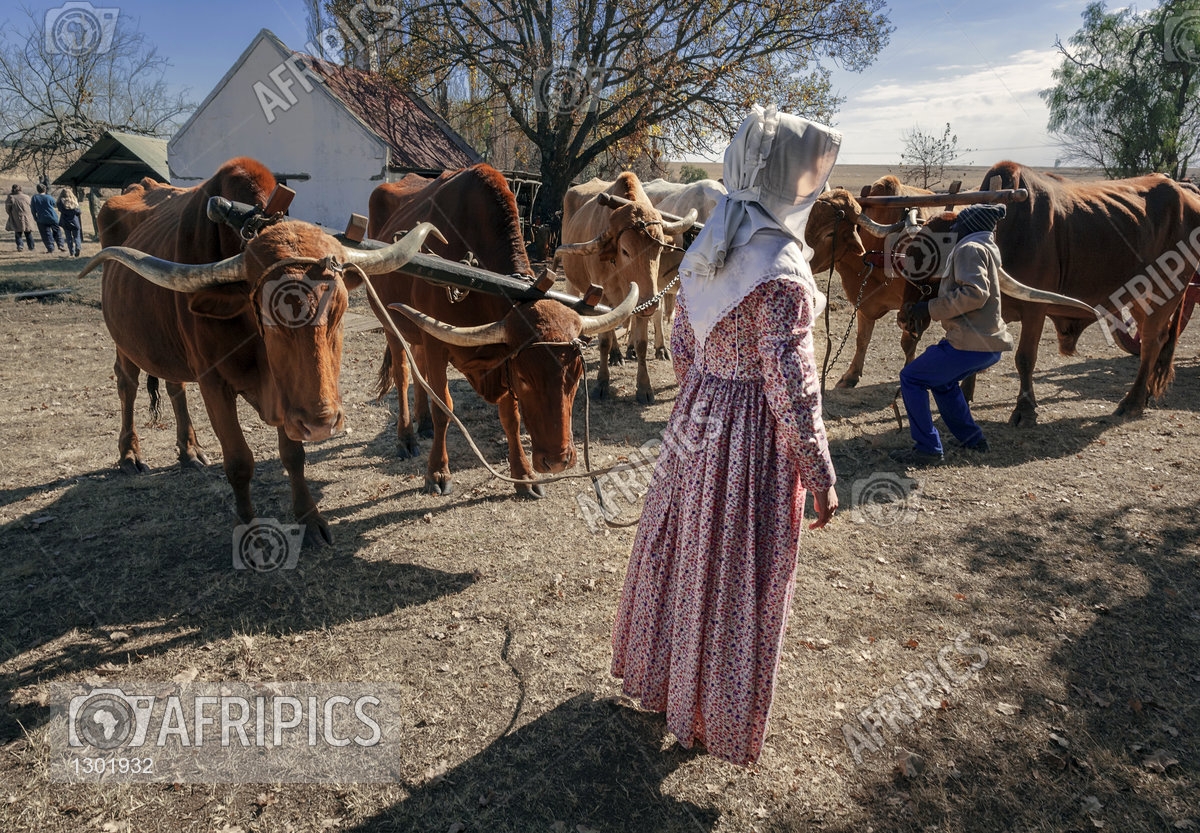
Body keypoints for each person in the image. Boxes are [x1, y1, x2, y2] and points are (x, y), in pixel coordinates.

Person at [610, 105, 839, 767]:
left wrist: (707, 390)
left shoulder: (710, 247)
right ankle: (710, 713)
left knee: (684, 558)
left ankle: (669, 690)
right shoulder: (780, 271)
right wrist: (817, 472)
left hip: (697, 417)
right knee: (734, 574)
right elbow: (790, 386)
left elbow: (683, 348)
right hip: (749, 439)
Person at [890, 203, 1014, 466]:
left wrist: (929, 307)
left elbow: (975, 293)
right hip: (988, 343)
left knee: (911, 377)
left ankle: (927, 448)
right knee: (942, 382)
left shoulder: (970, 248)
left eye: (960, 224)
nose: (955, 227)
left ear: (971, 226)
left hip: (970, 342)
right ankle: (972, 438)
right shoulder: (988, 247)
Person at [30, 183, 66, 253]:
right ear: (45, 189)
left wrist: (35, 217)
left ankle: (50, 248)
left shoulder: (35, 198)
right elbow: (55, 205)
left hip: (42, 218)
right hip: (52, 217)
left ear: (37, 190)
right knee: (57, 231)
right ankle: (60, 245)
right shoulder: (49, 197)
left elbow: (33, 209)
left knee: (46, 234)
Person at [5, 184, 36, 252]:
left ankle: (20, 245)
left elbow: (8, 208)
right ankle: (31, 247)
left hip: (17, 216)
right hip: (27, 217)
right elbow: (31, 206)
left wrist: (11, 214)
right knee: (28, 232)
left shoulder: (11, 197)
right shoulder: (26, 197)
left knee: (18, 232)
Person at [57, 188, 83, 257]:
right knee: (77, 236)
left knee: (68, 238)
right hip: (74, 222)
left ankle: (71, 252)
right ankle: (78, 247)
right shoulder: (74, 201)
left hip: (65, 222)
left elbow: (59, 209)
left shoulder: (60, 202)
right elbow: (79, 212)